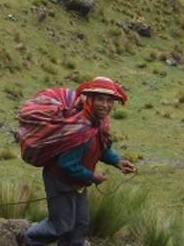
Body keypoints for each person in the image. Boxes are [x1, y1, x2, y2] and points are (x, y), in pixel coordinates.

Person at [19, 77, 136, 246]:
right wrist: (92, 176)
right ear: (90, 100)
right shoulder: (79, 129)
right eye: (101, 100)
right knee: (61, 224)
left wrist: (117, 161)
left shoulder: (99, 124)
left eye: (110, 101)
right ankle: (29, 240)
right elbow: (67, 165)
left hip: (78, 183)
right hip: (59, 181)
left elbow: (101, 149)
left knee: (80, 225)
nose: (105, 105)